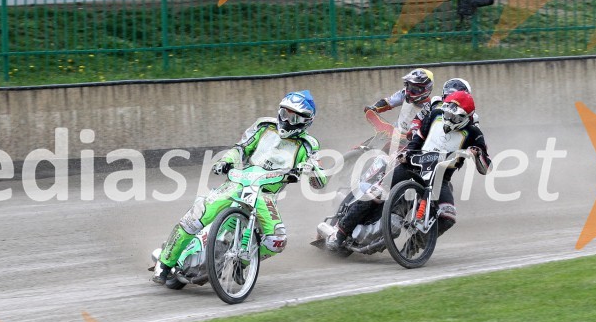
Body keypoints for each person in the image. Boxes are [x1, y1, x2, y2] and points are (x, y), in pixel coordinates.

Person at [153, 90, 327, 284]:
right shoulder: (264, 126)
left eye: (293, 117)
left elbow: (320, 181)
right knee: (195, 217)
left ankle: (242, 262)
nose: (286, 120)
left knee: (277, 241)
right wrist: (226, 161)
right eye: (284, 113)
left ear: (305, 121)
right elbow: (240, 148)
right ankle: (164, 263)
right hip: (238, 182)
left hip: (266, 195)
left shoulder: (308, 145)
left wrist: (309, 170)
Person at [327, 90, 491, 250]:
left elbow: (486, 167)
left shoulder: (474, 133)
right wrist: (407, 153)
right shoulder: (435, 116)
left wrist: (477, 154)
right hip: (412, 165)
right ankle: (340, 233)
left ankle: (413, 247)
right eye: (447, 113)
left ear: (466, 117)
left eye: (455, 116)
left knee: (448, 217)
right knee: (376, 192)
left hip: (441, 179)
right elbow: (419, 137)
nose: (449, 118)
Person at [365, 68, 435, 137]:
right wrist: (374, 108)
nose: (409, 91)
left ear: (426, 89)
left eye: (414, 89)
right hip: (395, 131)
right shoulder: (404, 93)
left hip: (411, 140)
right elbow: (389, 102)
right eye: (409, 86)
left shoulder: (430, 108)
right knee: (364, 146)